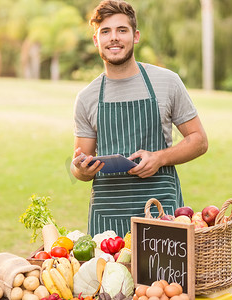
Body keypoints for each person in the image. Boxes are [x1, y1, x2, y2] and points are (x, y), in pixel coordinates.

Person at [71, 0, 208, 237]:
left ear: (135, 36)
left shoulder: (167, 82)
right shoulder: (87, 98)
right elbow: (81, 166)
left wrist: (159, 158)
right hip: (108, 218)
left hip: (160, 210)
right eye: (106, 31)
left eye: (121, 30)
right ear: (96, 40)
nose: (114, 38)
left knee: (164, 276)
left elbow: (199, 140)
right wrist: (81, 169)